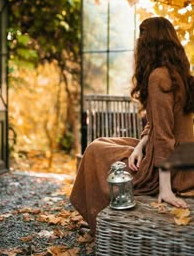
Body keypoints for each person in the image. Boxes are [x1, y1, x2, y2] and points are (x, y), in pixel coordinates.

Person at [70, 16, 194, 236]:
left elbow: (164, 136)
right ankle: (101, 221)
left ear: (148, 42)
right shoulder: (181, 76)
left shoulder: (158, 77)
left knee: (95, 152)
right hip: (184, 157)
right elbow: (159, 124)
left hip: (173, 167)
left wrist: (165, 188)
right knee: (104, 143)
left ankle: (101, 224)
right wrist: (139, 147)